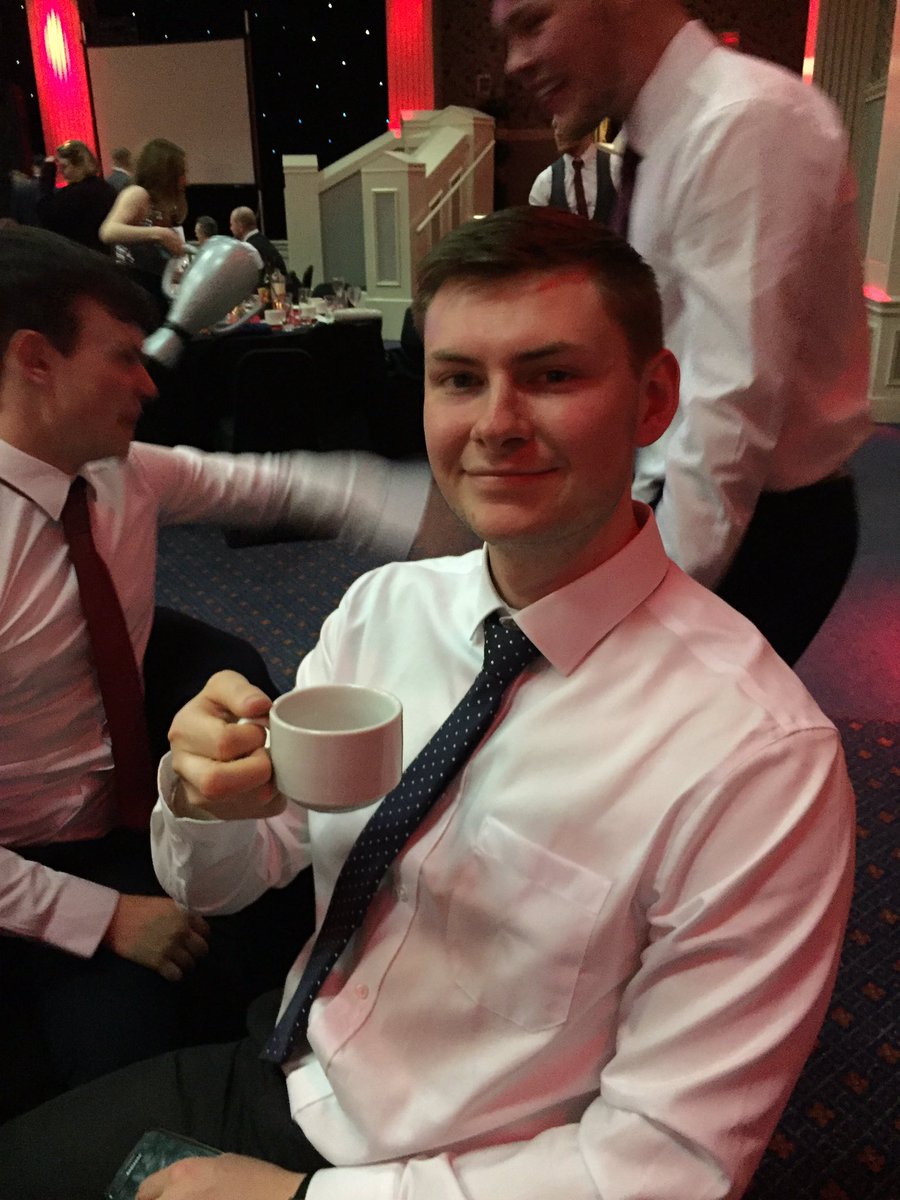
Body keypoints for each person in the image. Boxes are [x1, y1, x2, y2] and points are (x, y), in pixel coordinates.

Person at [0, 208, 855, 1200]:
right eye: (459, 379)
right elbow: (234, 879)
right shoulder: (386, 610)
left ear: (653, 399)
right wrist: (201, 805)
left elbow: (671, 1163)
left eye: (552, 375)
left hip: (473, 1169)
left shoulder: (757, 759)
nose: (495, 422)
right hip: (284, 1070)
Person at [0, 225, 463, 1118]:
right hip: (34, 868)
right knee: (124, 1085)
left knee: (311, 926)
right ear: (35, 360)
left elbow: (278, 485)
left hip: (145, 811)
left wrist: (460, 510)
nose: (149, 382)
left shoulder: (120, 475)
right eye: (124, 359)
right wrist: (103, 916)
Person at [495, 0, 872, 666]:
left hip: (760, 527)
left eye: (533, 21)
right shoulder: (656, 139)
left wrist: (639, 610)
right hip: (683, 498)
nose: (514, 62)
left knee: (663, 747)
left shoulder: (746, 118)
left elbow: (729, 412)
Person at [100, 137, 189, 317]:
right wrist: (159, 233)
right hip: (133, 289)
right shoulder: (137, 194)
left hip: (152, 289)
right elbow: (108, 231)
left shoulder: (161, 204)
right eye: (181, 172)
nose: (185, 179)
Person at [37, 139, 116, 254]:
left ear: (79, 164)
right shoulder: (106, 188)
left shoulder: (75, 194)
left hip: (81, 256)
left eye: (64, 166)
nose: (61, 172)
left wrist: (47, 175)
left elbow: (45, 214)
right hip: (104, 255)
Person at [529, 117, 614, 221]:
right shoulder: (545, 181)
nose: (557, 131)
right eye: (555, 126)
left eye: (564, 124)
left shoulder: (615, 167)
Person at [230, 205, 287, 276]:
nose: (231, 228)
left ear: (240, 226)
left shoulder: (248, 249)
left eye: (232, 224)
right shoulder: (263, 241)